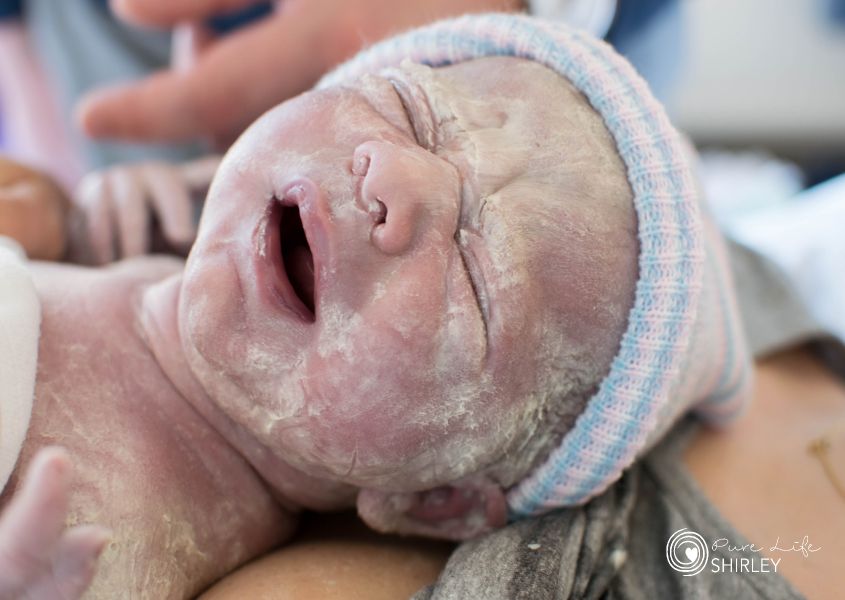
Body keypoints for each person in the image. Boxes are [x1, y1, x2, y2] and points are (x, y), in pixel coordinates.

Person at [0, 15, 750, 598]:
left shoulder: (109, 544)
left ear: (437, 499)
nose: (399, 179)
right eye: (411, 112)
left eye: (476, 285)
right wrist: (75, 221)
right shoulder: (133, 246)